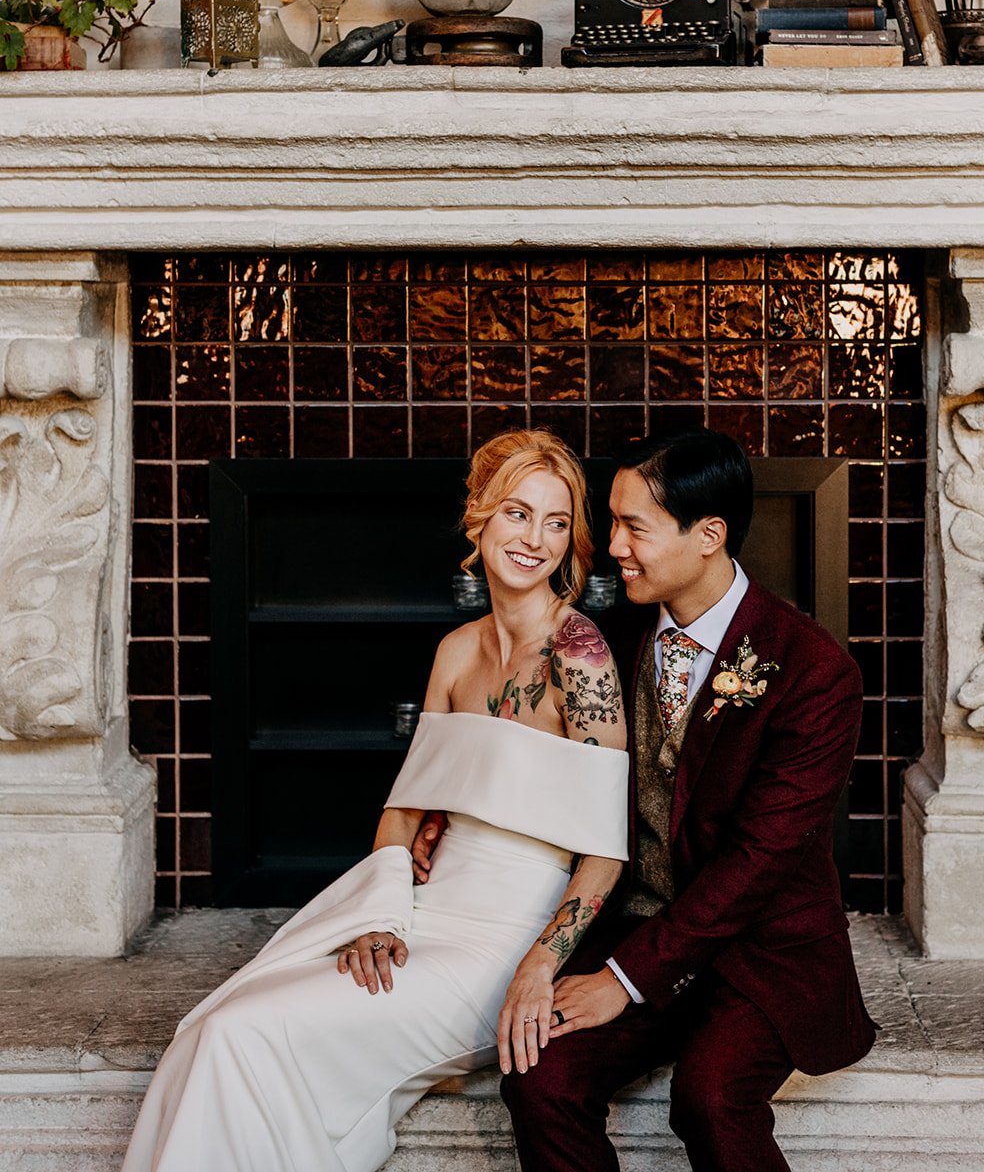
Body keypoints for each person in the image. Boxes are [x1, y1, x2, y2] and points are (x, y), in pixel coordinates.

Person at [122, 429, 628, 1172]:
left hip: (500, 943)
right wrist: (377, 917)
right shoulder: (456, 653)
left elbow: (605, 852)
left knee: (244, 1033)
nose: (535, 540)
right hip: (419, 920)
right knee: (216, 1023)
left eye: (556, 523)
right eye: (518, 514)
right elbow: (403, 810)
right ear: (479, 517)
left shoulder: (578, 652)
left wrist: (538, 966)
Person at [490, 427, 877, 1172]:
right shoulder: (614, 638)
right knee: (539, 1077)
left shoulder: (812, 669)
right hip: (638, 921)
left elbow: (760, 860)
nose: (613, 548)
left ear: (708, 535)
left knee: (709, 1096)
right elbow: (550, 758)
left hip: (761, 949)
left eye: (634, 527)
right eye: (613, 524)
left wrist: (622, 981)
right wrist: (444, 819)